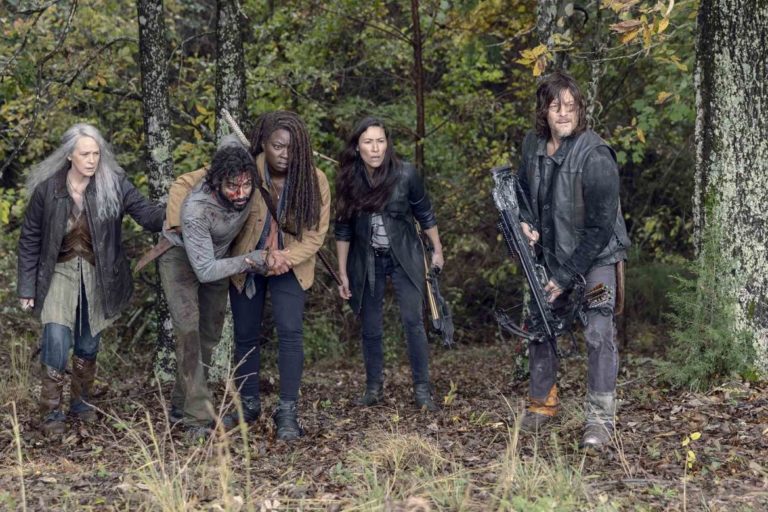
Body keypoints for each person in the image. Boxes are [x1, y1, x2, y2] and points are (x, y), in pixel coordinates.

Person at [17, 123, 165, 435]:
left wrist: (179, 207)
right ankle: (51, 413)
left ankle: (81, 403)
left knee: (88, 341)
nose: (92, 159)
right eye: (85, 153)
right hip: (58, 272)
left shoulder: (115, 183)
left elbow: (148, 216)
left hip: (98, 274)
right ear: (69, 155)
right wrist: (27, 287)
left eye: (96, 153)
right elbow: (30, 238)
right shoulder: (48, 189)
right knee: (56, 338)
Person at [515, 71, 630, 448]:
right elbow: (521, 191)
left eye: (570, 106)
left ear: (580, 110)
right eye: (555, 106)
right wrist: (526, 222)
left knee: (598, 332)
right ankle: (541, 405)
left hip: (597, 258)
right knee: (540, 324)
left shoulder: (596, 155)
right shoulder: (532, 145)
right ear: (543, 112)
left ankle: (599, 420)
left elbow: (599, 228)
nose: (563, 113)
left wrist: (565, 276)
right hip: (552, 256)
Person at [159, 136, 281, 436]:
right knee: (188, 332)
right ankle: (197, 418)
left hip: (221, 258)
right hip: (182, 259)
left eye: (246, 185)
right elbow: (204, 270)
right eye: (232, 187)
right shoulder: (197, 208)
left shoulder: (252, 181)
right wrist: (250, 260)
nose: (240, 194)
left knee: (209, 335)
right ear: (217, 182)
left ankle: (181, 403)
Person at [225, 111, 330, 440]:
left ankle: (287, 411)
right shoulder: (245, 170)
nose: (285, 154)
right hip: (248, 261)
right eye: (278, 146)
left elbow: (315, 235)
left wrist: (285, 257)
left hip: (291, 265)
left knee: (290, 333)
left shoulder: (315, 180)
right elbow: (202, 185)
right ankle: (248, 405)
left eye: (293, 147)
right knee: (245, 335)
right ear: (264, 144)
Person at [334, 117, 444, 412]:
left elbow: (425, 213)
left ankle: (422, 390)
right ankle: (373, 388)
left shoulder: (406, 174)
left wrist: (437, 250)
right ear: (357, 147)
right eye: (368, 142)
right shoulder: (349, 179)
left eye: (380, 141)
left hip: (404, 255)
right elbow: (343, 228)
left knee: (413, 321)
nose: (375, 148)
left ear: (387, 144)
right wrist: (343, 272)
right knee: (370, 325)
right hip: (367, 259)